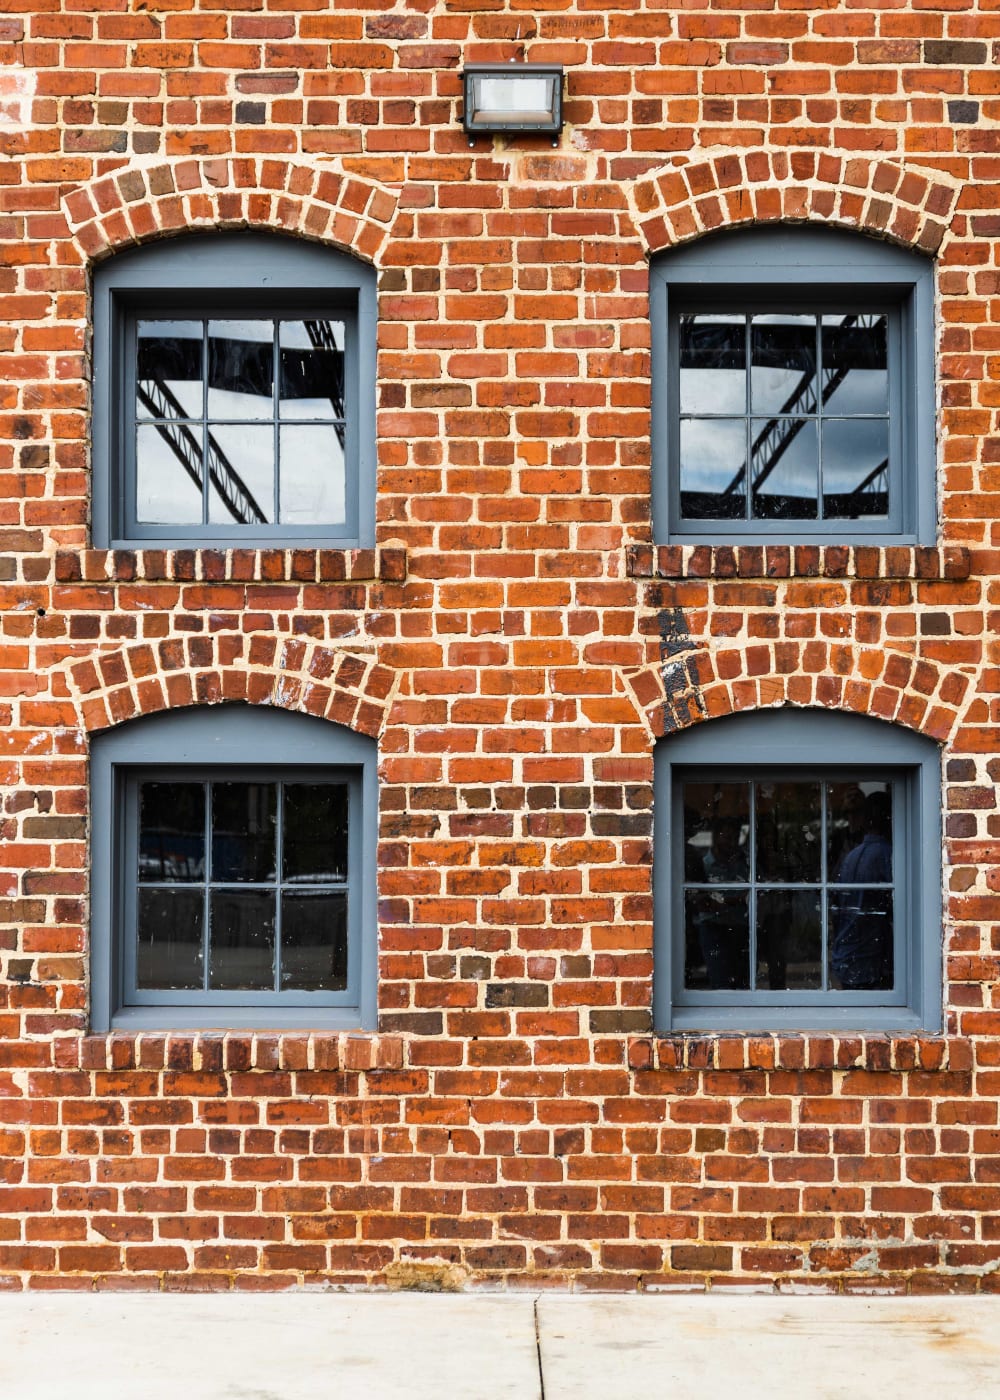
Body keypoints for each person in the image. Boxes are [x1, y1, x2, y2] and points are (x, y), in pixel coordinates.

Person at [830, 790, 893, 989]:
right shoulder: (887, 855)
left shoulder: (852, 856)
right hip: (870, 958)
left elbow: (838, 904)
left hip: (848, 953)